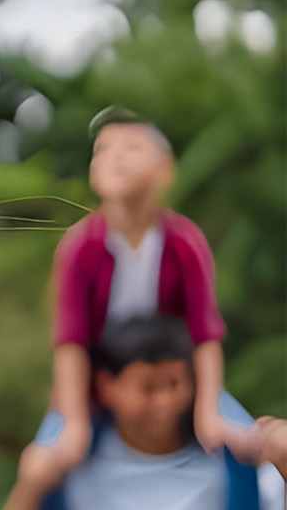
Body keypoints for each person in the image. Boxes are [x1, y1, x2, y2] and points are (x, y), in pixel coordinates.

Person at [29, 110, 246, 483]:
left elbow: (206, 335)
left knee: (243, 445)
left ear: (164, 170)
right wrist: (75, 421)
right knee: (43, 465)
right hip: (99, 386)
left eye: (132, 147)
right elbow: (70, 344)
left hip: (172, 384)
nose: (115, 156)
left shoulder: (185, 241)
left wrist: (208, 407)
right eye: (103, 149)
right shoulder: (78, 247)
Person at [5, 315, 278, 510]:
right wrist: (31, 486)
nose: (164, 402)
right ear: (107, 386)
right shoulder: (70, 462)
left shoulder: (231, 461)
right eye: (148, 388)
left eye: (174, 383)